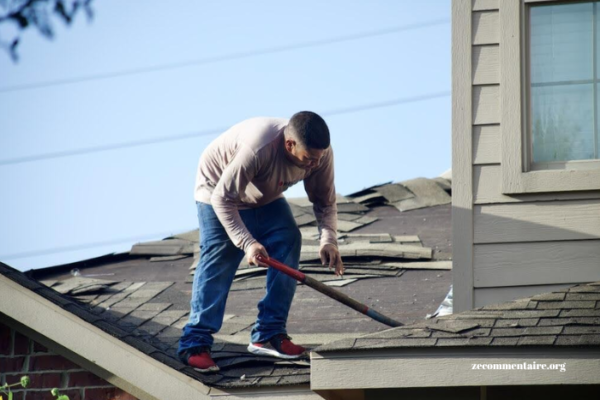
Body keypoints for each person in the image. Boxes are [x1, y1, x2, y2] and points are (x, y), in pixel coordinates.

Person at [177, 111, 344, 373]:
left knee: (288, 238)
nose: (314, 164)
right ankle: (195, 343)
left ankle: (268, 334)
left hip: (263, 196)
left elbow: (325, 201)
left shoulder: (319, 155)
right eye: (309, 159)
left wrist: (329, 240)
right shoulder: (258, 148)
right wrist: (247, 242)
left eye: (319, 158)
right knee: (220, 257)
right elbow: (223, 199)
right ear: (290, 145)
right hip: (217, 192)